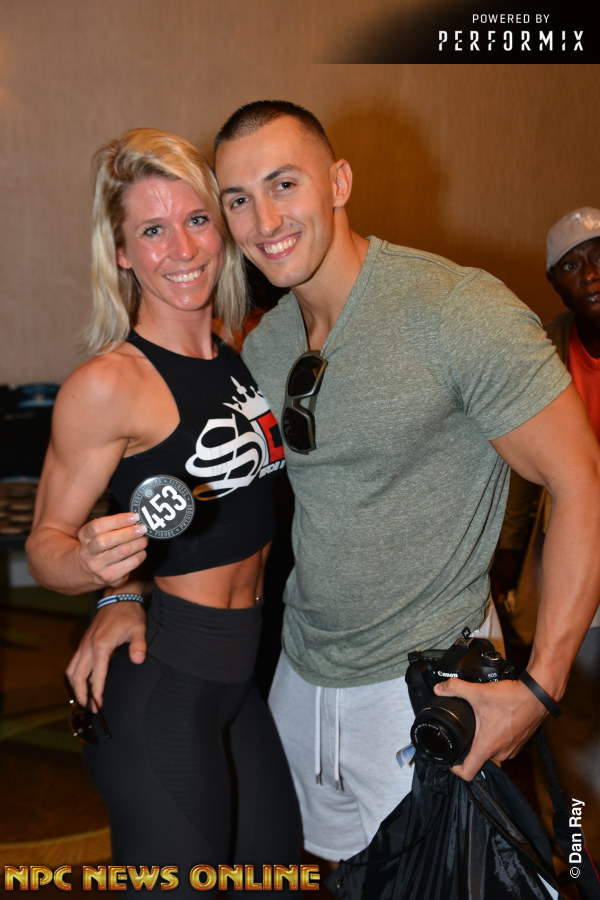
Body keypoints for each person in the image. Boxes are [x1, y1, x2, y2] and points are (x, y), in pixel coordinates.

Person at [60, 103, 600, 874]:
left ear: (339, 182)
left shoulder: (456, 309)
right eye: (238, 199)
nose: (264, 220)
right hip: (298, 677)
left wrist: (541, 686)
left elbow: (582, 482)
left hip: (423, 683)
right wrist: (120, 592)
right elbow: (171, 479)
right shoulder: (264, 343)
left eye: (285, 184)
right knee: (329, 878)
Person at [25, 127, 300, 895]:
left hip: (241, 684)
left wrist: (126, 591)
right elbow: (45, 545)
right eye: (151, 230)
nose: (181, 248)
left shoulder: (242, 353)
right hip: (164, 693)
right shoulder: (108, 384)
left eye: (197, 219)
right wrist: (98, 571)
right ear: (120, 252)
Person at [492, 207, 600, 871]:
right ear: (554, 282)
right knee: (574, 740)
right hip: (575, 572)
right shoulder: (544, 348)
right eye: (572, 265)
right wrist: (508, 553)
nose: (590, 274)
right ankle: (581, 859)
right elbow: (525, 468)